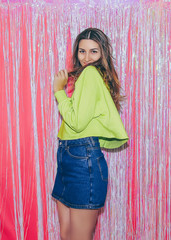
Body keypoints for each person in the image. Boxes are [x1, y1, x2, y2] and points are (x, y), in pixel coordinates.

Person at [52, 28, 128, 240]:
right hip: (70, 157)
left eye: (93, 51)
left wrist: (59, 90)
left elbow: (76, 122)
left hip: (82, 160)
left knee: (74, 236)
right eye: (82, 51)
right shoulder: (88, 76)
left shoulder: (91, 74)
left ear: (102, 53)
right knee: (67, 234)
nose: (86, 58)